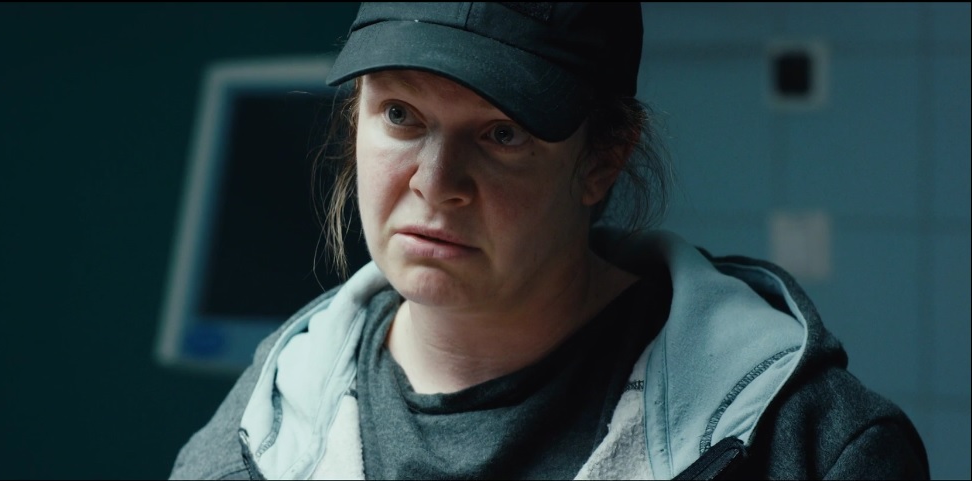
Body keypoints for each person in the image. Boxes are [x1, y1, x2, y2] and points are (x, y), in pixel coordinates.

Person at [170, 3, 929, 479]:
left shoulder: (810, 447)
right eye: (400, 115)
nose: (436, 182)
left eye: (501, 133)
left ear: (603, 158)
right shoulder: (254, 441)